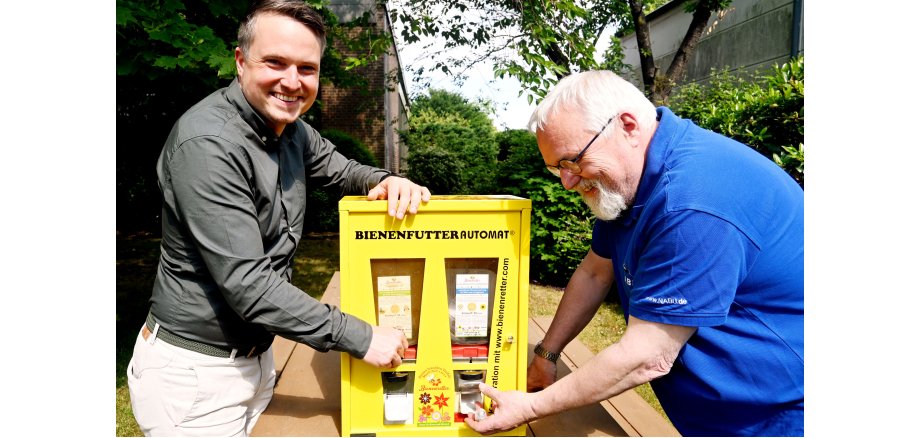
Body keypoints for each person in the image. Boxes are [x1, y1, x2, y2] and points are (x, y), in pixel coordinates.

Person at [126, 1, 431, 436]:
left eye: (307, 68)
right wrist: (361, 336)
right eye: (275, 62)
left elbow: (343, 170)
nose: (292, 81)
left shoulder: (291, 130)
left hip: (256, 357)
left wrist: (386, 180)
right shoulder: (209, 144)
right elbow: (248, 285)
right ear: (240, 61)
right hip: (196, 374)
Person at [464, 70, 803, 436]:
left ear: (627, 126)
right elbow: (595, 272)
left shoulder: (690, 202)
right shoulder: (628, 185)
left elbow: (647, 355)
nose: (567, 181)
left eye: (572, 160)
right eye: (556, 167)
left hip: (779, 415)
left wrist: (529, 407)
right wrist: (547, 354)